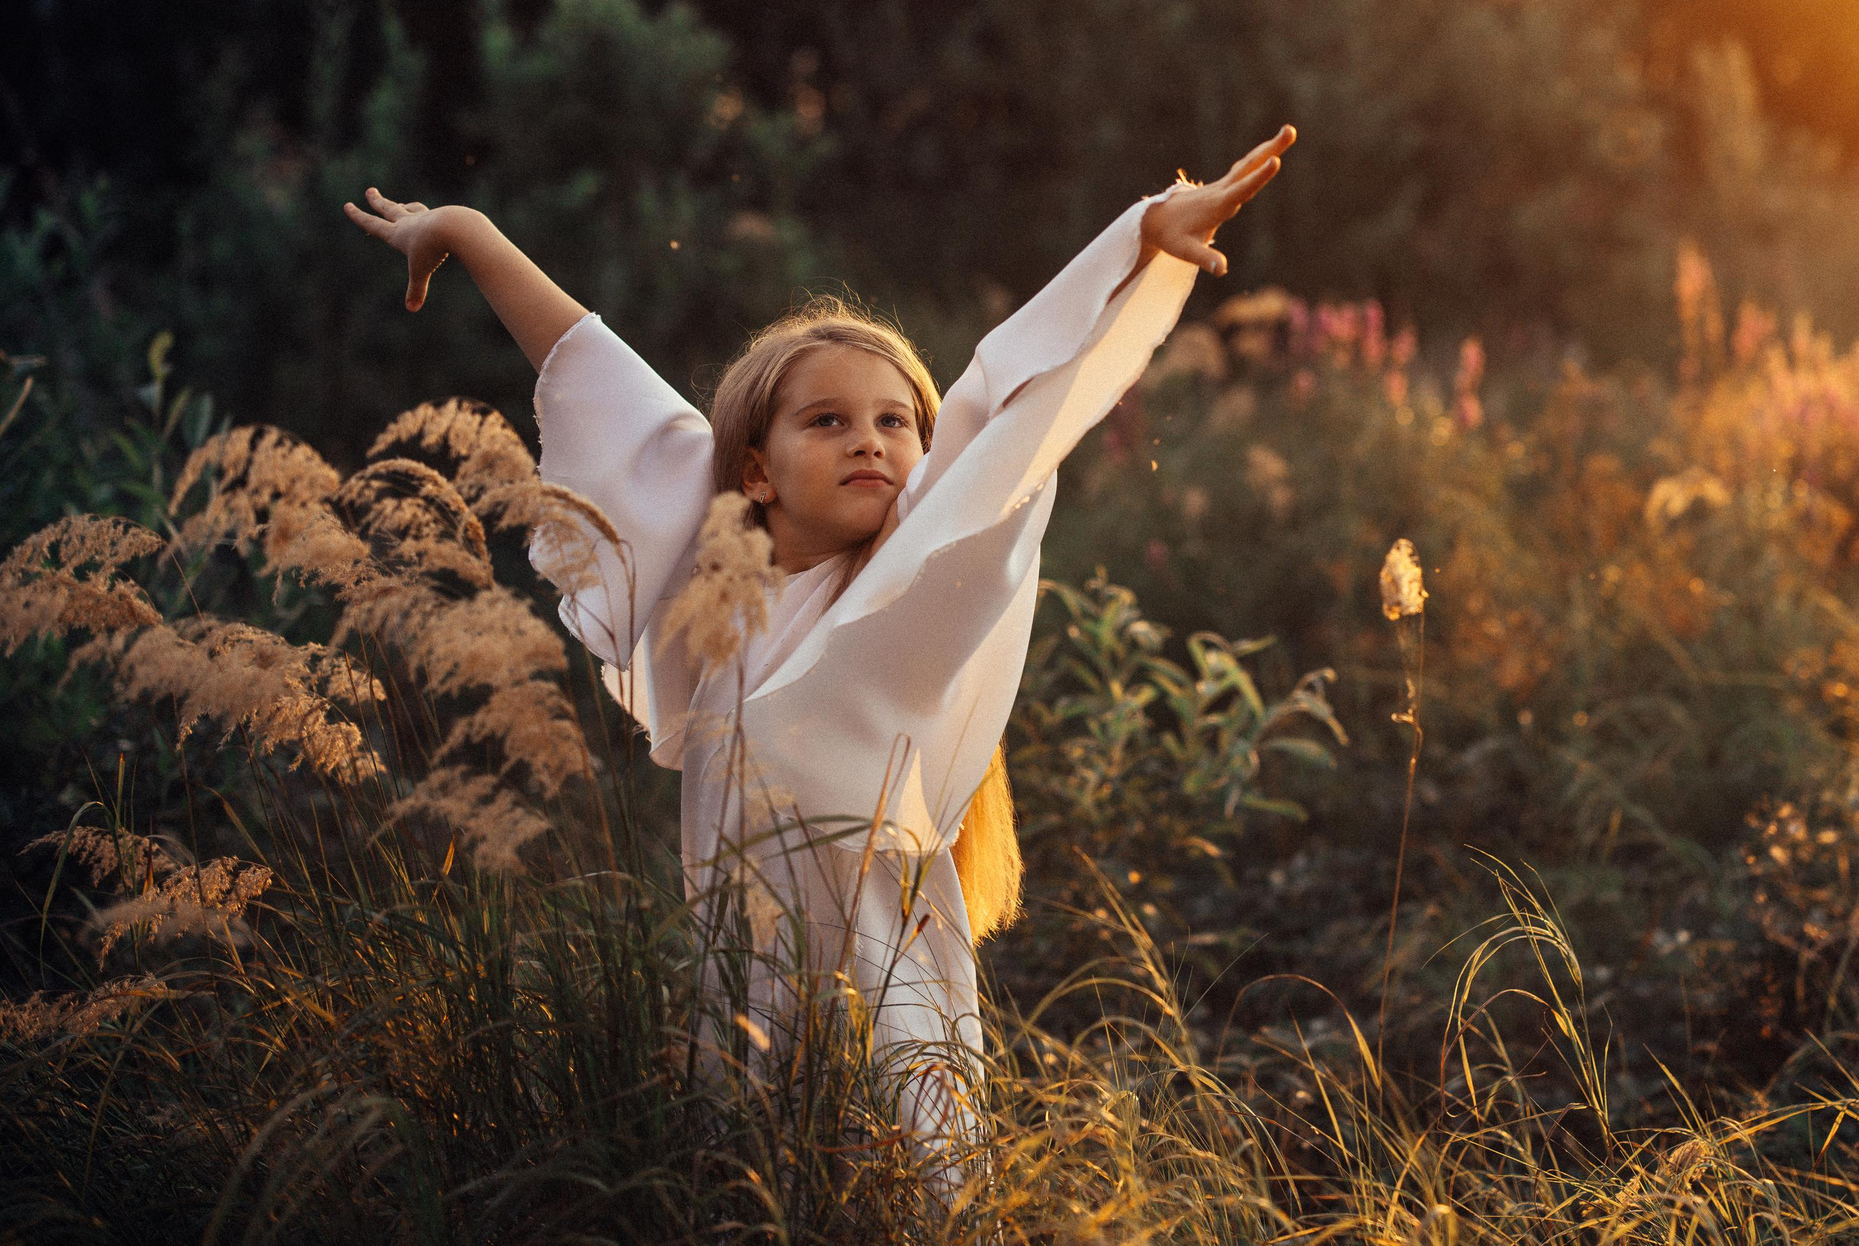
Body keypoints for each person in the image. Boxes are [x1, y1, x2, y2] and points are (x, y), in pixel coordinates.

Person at [342, 125, 1293, 1185]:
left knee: (894, 1194)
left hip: (890, 1018)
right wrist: (467, 232)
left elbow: (1000, 396)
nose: (872, 441)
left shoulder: (901, 583)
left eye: (895, 422)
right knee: (755, 1186)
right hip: (743, 1011)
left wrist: (1137, 243)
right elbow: (600, 378)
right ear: (754, 468)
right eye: (830, 420)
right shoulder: (713, 589)